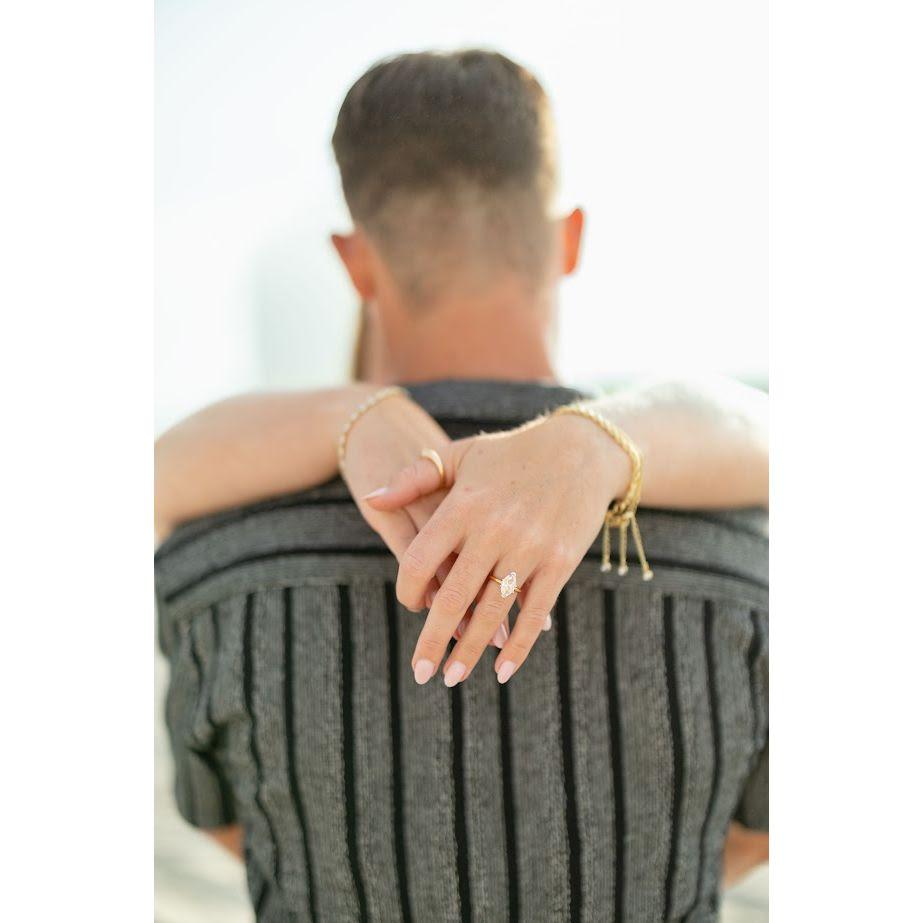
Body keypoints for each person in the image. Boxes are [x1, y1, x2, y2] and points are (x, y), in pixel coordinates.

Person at [156, 49, 768, 921]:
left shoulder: (213, 557)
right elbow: (754, 833)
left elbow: (230, 824)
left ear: (355, 263)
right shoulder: (745, 554)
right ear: (569, 240)